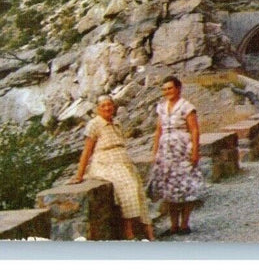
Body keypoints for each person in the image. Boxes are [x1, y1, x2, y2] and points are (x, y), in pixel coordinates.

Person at [70, 95, 155, 241]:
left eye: (109, 105)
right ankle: (129, 233)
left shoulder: (116, 122)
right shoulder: (94, 124)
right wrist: (79, 175)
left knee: (138, 188)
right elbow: (87, 151)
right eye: (103, 106)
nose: (107, 108)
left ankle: (148, 231)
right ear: (98, 109)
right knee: (127, 185)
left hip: (122, 160)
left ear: (113, 107)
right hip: (104, 162)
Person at [151, 75, 205, 236]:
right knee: (169, 188)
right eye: (164, 89)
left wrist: (195, 151)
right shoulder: (161, 107)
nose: (167, 91)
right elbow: (158, 130)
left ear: (178, 88)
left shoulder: (187, 107)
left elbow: (194, 129)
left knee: (185, 185)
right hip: (166, 151)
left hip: (182, 149)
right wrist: (155, 151)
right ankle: (173, 225)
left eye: (170, 88)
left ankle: (184, 224)